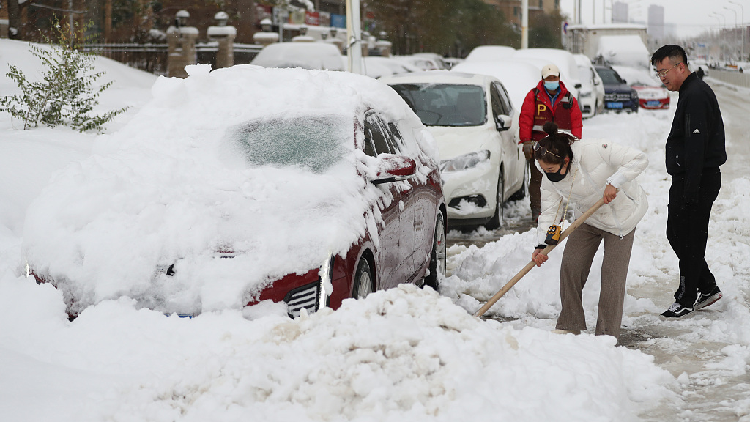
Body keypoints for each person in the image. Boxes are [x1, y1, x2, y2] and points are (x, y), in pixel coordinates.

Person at [531, 122, 648, 340]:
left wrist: (615, 182)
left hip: (621, 218)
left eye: (551, 170)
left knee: (612, 276)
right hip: (589, 216)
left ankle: (606, 334)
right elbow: (550, 209)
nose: (548, 174)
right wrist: (542, 245)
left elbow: (639, 158)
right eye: (544, 170)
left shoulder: (595, 150)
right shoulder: (547, 173)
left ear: (565, 160)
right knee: (571, 265)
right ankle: (570, 322)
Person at [651, 45, 727, 318]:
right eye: (658, 73)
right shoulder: (690, 92)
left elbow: (697, 145)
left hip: (697, 179)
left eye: (664, 72)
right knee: (678, 234)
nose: (662, 78)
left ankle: (686, 296)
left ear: (680, 66)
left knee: (689, 238)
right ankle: (706, 286)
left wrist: (691, 188)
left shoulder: (695, 95)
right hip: (691, 178)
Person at [519, 63, 583, 223]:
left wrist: (576, 142)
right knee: (537, 179)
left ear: (559, 78)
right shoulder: (533, 96)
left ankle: (557, 211)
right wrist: (526, 141)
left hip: (561, 145)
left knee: (559, 178)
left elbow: (576, 121)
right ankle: (537, 211)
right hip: (539, 144)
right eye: (549, 78)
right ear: (543, 79)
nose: (551, 80)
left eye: (554, 78)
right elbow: (525, 119)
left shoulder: (568, 98)